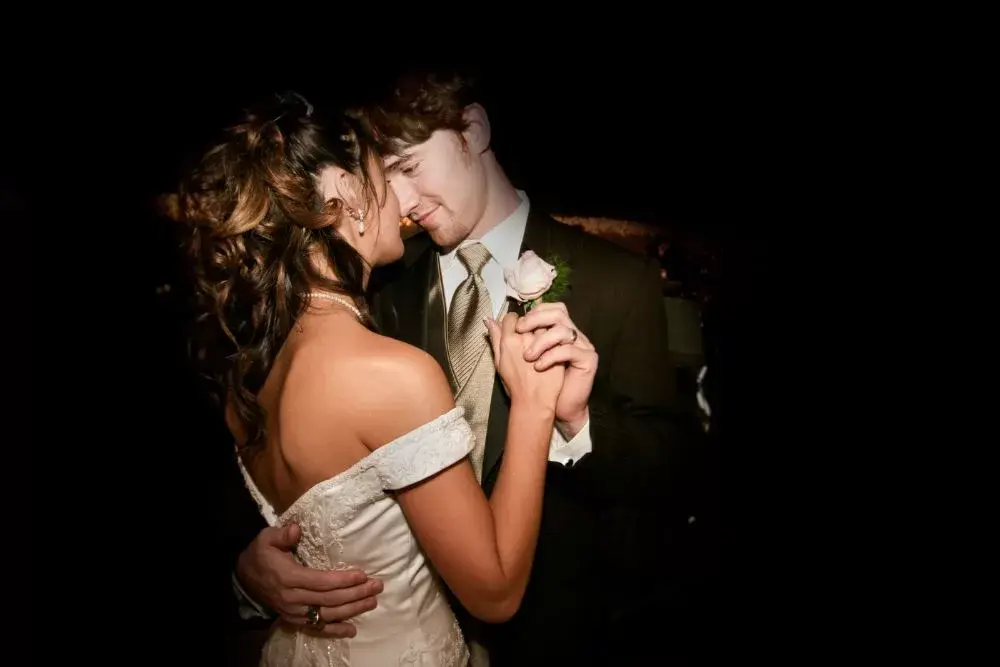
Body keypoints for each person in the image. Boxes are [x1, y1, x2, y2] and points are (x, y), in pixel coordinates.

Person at [234, 72, 714, 665]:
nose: (403, 204)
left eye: (408, 167)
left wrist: (578, 423)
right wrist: (251, 568)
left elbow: (676, 465)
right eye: (388, 180)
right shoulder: (373, 286)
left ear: (474, 130)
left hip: (558, 631)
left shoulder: (619, 280)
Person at [171, 92, 568, 666]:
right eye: (386, 175)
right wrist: (533, 404)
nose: (402, 199)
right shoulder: (387, 373)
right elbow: (496, 591)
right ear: (345, 192)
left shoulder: (249, 374)